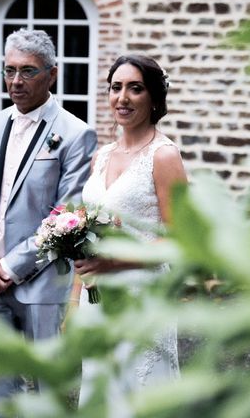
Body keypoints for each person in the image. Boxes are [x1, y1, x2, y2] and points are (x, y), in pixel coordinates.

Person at [0, 28, 97, 417]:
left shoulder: (76, 134)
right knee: (2, 390)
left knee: (47, 392)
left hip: (41, 284)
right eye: (9, 71)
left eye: (28, 71)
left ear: (52, 75)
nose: (16, 82)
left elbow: (67, 216)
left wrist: (9, 268)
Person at [73, 54, 188, 409]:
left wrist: (115, 262)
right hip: (95, 300)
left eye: (135, 89)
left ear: (154, 98)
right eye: (116, 87)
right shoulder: (101, 156)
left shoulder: (164, 155)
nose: (122, 97)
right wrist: (73, 305)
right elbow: (83, 236)